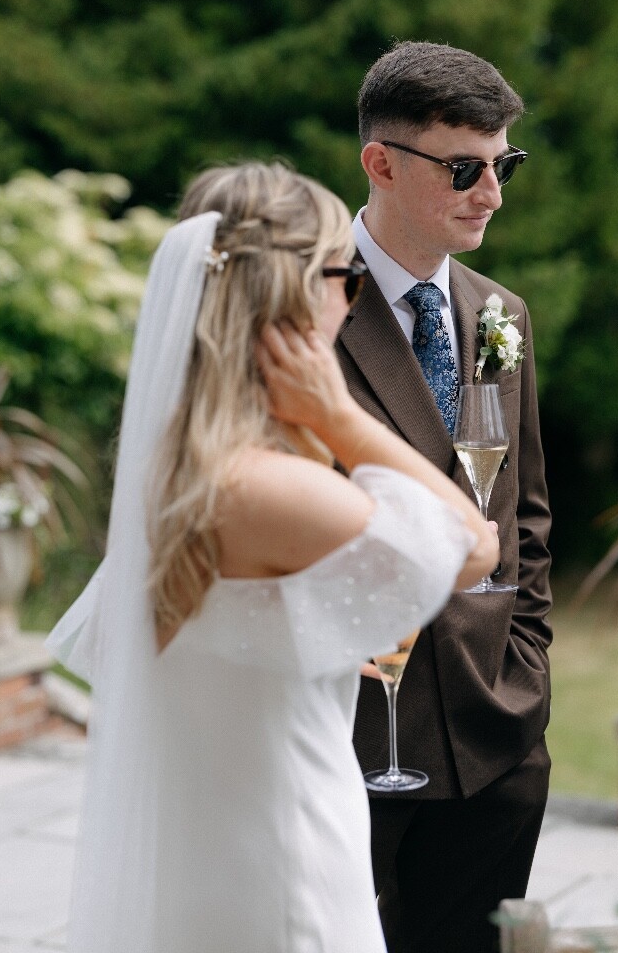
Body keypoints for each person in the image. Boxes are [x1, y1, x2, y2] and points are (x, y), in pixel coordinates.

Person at [46, 162, 498, 953]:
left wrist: (289, 643)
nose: (353, 299)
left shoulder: (173, 474)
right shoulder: (268, 487)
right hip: (290, 866)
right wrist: (343, 419)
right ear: (289, 298)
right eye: (345, 275)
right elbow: (470, 544)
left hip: (206, 860)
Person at [334, 42, 553, 953]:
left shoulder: (502, 312)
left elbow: (525, 514)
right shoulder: (296, 308)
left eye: (502, 164)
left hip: (498, 735)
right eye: (465, 167)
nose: (492, 192)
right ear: (380, 163)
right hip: (351, 743)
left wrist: (528, 669)